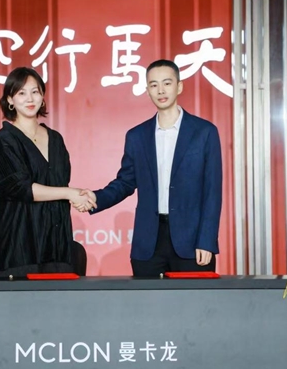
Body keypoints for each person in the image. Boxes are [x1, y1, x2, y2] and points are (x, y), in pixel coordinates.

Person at [77, 59, 222, 277]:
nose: (160, 90)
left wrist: (207, 240)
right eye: (154, 85)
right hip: (148, 243)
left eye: (167, 83)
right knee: (146, 299)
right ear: (147, 91)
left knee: (194, 300)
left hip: (192, 242)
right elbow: (125, 182)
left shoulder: (204, 132)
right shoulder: (137, 136)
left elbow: (212, 192)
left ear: (179, 86)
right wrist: (96, 198)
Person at [0, 67, 95, 278]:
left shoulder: (56, 139)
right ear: (10, 100)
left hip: (57, 245)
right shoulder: (6, 139)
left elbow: (60, 182)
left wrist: (77, 197)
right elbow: (22, 188)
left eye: (35, 92)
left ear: (42, 96)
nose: (30, 98)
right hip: (19, 247)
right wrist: (70, 193)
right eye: (21, 93)